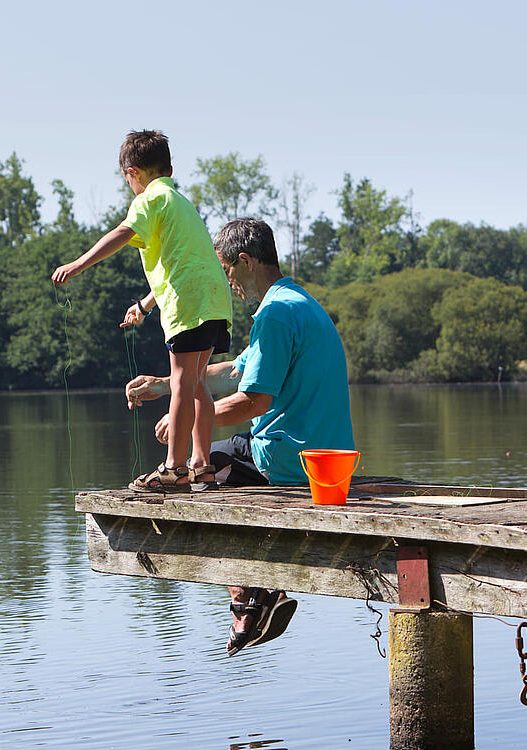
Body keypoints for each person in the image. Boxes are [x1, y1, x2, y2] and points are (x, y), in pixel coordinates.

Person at [125, 217, 355, 656]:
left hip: (290, 458)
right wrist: (166, 385)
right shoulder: (297, 303)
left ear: (246, 262)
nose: (227, 282)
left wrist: (188, 421)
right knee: (211, 462)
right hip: (326, 460)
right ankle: (260, 592)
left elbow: (253, 401)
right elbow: (235, 370)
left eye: (227, 270)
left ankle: (248, 602)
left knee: (197, 475)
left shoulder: (275, 313)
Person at [52, 130, 232, 493]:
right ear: (169, 168)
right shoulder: (180, 202)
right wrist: (144, 306)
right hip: (214, 301)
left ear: (131, 172)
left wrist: (78, 264)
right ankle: (201, 465)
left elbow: (123, 233)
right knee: (196, 382)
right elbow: (183, 266)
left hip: (188, 304)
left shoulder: (149, 198)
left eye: (127, 180)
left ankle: (174, 468)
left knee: (181, 382)